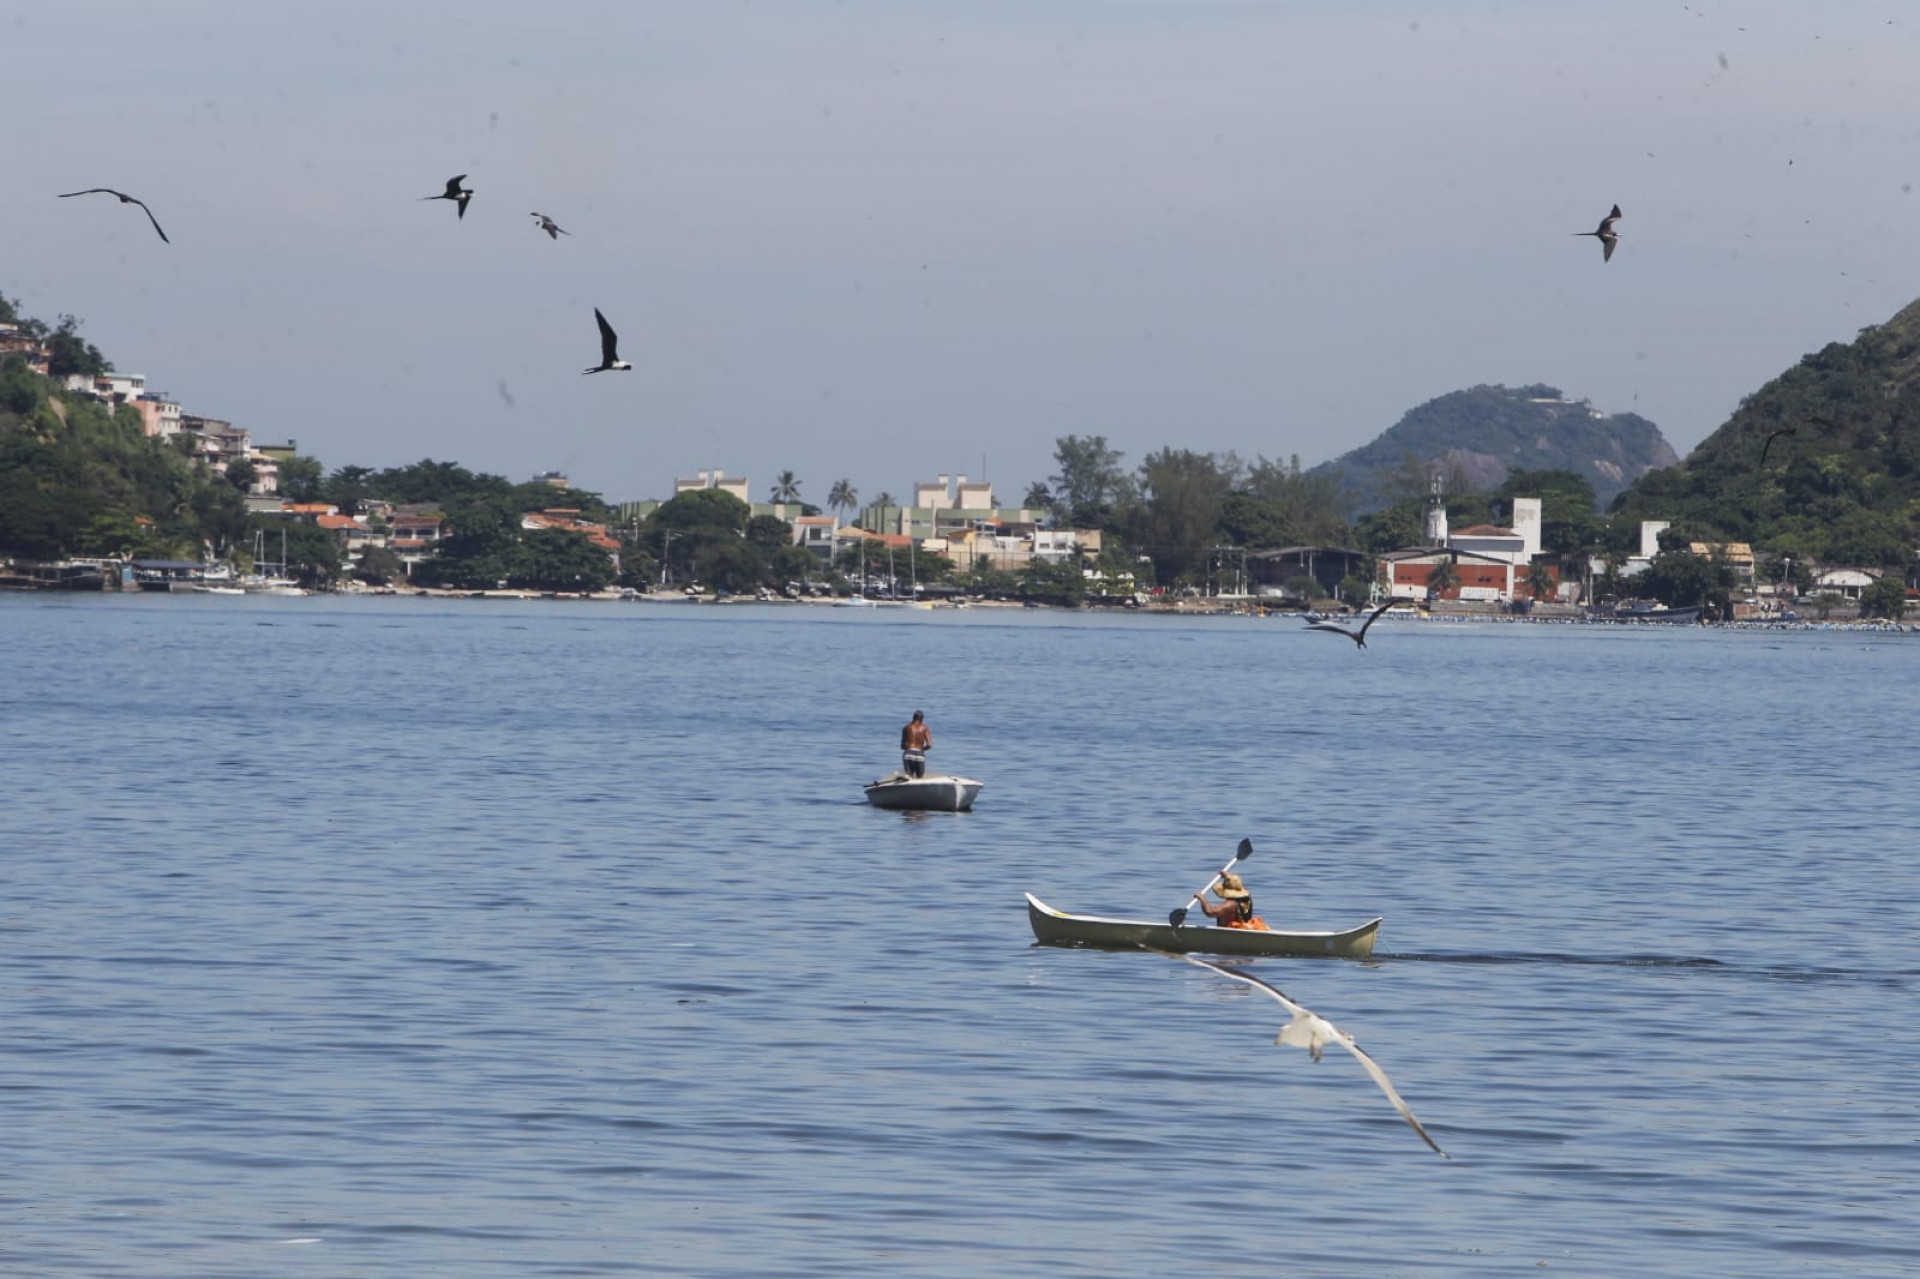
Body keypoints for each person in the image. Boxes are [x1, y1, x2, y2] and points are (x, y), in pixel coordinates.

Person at [1197, 871, 1269, 931]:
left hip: (1227, 934)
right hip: (1243, 931)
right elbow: (1236, 886)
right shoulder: (1247, 899)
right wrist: (1228, 877)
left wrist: (1202, 898)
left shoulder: (1229, 905)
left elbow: (1210, 912)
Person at [900, 710, 932, 778]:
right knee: (920, 778)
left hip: (908, 753)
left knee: (909, 777)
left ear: (913, 717)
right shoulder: (925, 728)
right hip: (919, 754)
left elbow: (902, 746)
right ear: (922, 719)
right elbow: (929, 745)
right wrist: (922, 749)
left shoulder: (906, 728)